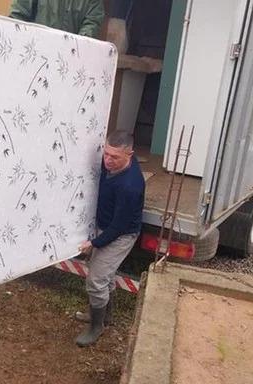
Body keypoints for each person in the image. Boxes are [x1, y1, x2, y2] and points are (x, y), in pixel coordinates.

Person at [75, 132, 144, 347]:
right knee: (104, 275)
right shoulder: (112, 166)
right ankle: (105, 317)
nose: (107, 161)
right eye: (106, 154)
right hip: (107, 226)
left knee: (96, 279)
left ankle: (96, 327)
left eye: (114, 157)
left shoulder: (130, 186)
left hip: (121, 234)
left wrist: (94, 243)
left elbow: (118, 227)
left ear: (130, 155)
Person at [8, 0, 105, 38]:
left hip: (70, 61)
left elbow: (92, 24)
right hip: (35, 53)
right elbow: (17, 18)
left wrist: (75, 46)